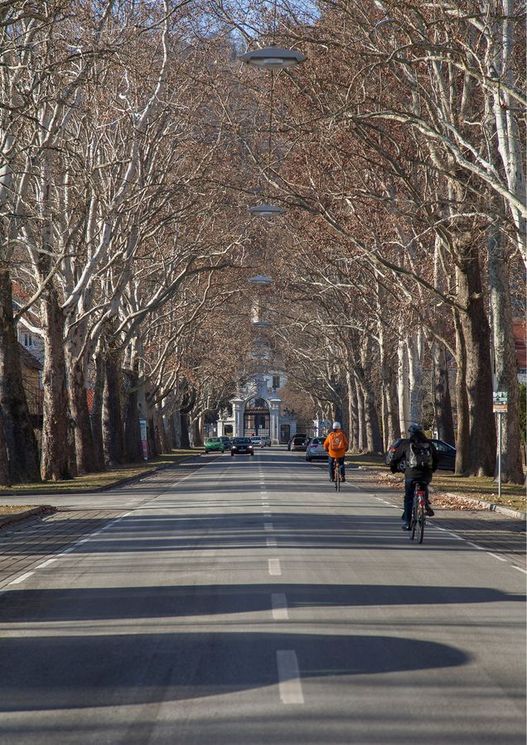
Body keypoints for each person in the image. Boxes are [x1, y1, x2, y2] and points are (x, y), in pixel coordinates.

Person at [390, 423, 439, 530]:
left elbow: (396, 458)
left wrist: (394, 468)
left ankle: (408, 523)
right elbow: (436, 459)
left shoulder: (407, 444)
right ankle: (425, 503)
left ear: (411, 433)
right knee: (424, 485)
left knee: (408, 498)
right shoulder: (429, 444)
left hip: (411, 474)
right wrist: (432, 469)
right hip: (426, 475)